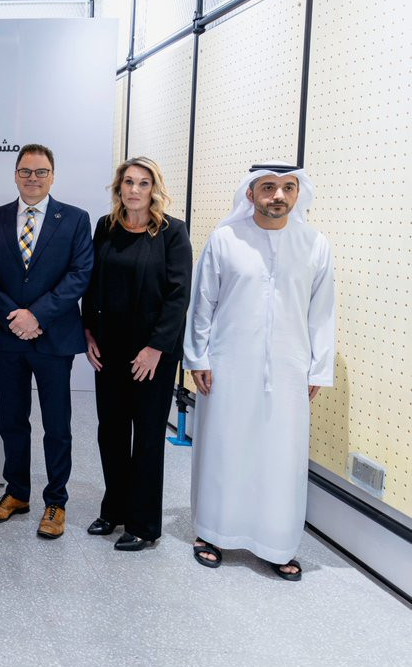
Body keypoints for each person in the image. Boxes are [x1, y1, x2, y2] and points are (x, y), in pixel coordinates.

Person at [184, 163, 334, 581]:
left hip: (289, 369)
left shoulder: (315, 245)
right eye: (268, 187)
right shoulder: (225, 239)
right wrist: (198, 357)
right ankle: (212, 532)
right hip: (227, 366)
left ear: (298, 194)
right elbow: (202, 304)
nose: (278, 196)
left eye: (288, 188)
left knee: (281, 456)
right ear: (250, 194)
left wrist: (318, 368)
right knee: (223, 448)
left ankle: (277, 543)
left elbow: (322, 312)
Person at [0, 143, 93, 539]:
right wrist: (15, 317)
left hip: (54, 338)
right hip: (8, 336)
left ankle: (56, 501)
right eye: (25, 171)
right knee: (12, 420)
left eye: (41, 171)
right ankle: (17, 493)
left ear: (52, 176)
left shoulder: (75, 219)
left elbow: (80, 274)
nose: (33, 178)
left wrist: (37, 316)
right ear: (15, 175)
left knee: (57, 424)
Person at [81, 157, 191, 551]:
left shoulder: (172, 232)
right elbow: (91, 284)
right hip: (109, 349)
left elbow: (178, 295)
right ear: (119, 187)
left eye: (143, 183)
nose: (134, 189)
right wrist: (87, 331)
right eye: (128, 182)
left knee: (146, 436)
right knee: (110, 432)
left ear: (154, 189)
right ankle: (113, 509)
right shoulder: (106, 227)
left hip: (153, 355)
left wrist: (155, 347)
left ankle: (143, 524)